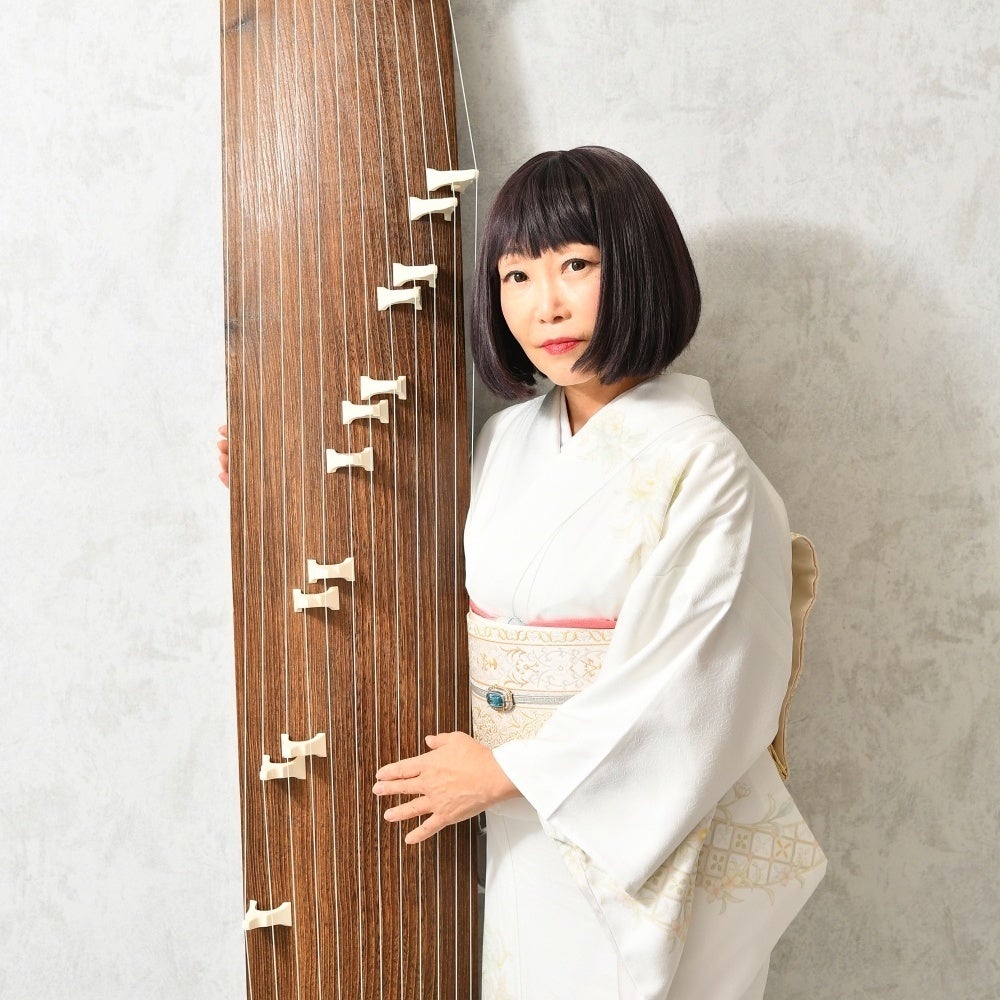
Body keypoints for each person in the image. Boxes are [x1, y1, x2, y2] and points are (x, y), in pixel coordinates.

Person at [221, 146, 825, 999]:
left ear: (642, 267)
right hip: (514, 818)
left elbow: (702, 676)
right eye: (516, 275)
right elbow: (407, 565)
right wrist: (276, 484)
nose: (547, 305)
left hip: (627, 826)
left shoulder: (708, 464)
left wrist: (510, 772)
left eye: (576, 265)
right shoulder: (505, 440)